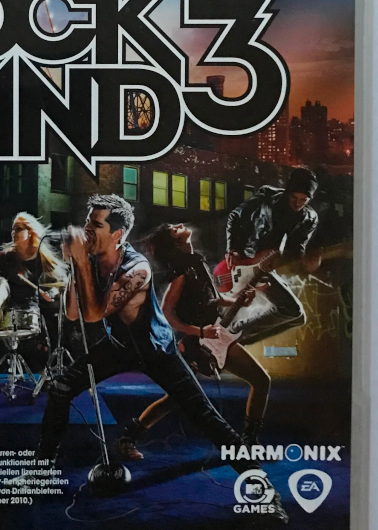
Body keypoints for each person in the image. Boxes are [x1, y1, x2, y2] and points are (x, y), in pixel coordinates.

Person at [36, 194, 246, 466]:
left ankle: (257, 479)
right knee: (60, 389)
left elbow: (93, 315)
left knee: (203, 413)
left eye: (96, 225)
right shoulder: (93, 262)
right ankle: (40, 470)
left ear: (117, 234)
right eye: (88, 222)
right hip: (119, 345)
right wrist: (77, 264)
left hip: (155, 349)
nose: (86, 230)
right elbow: (73, 313)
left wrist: (82, 263)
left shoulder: (137, 269)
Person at [117, 223, 271, 461]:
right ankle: (128, 438)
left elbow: (212, 298)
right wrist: (199, 332)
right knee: (177, 398)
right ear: (176, 243)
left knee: (261, 380)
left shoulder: (197, 260)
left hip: (216, 336)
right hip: (194, 342)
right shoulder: (180, 271)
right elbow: (167, 313)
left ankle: (249, 442)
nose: (180, 225)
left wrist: (238, 300)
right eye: (174, 229)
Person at [220, 167, 320, 346]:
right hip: (248, 260)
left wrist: (305, 264)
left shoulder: (309, 218)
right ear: (287, 191)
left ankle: (237, 341)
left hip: (267, 266)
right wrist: (233, 249)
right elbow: (236, 216)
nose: (298, 203)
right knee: (292, 311)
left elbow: (296, 250)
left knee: (298, 317)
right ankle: (234, 332)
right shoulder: (267, 195)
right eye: (294, 197)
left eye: (303, 200)